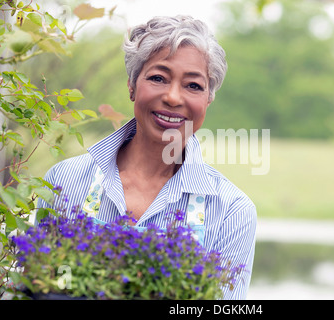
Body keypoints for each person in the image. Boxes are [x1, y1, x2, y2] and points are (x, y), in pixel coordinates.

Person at [37, 15, 256, 300]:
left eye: (193, 85)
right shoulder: (64, 180)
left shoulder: (232, 211)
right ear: (131, 85)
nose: (174, 97)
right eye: (158, 78)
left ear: (208, 99)